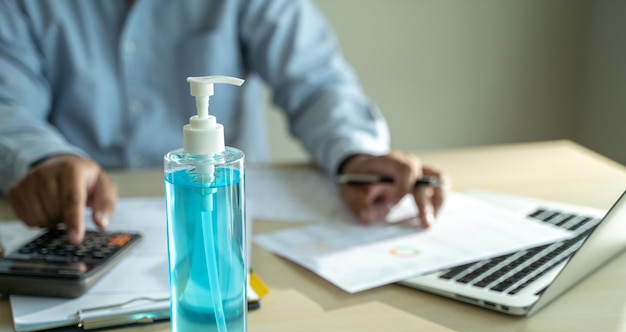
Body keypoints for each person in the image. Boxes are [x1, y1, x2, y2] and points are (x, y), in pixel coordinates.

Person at [0, 0, 448, 245]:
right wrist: (45, 160)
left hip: (234, 225)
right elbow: (7, 103)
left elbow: (315, 81)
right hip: (83, 225)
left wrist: (356, 156)